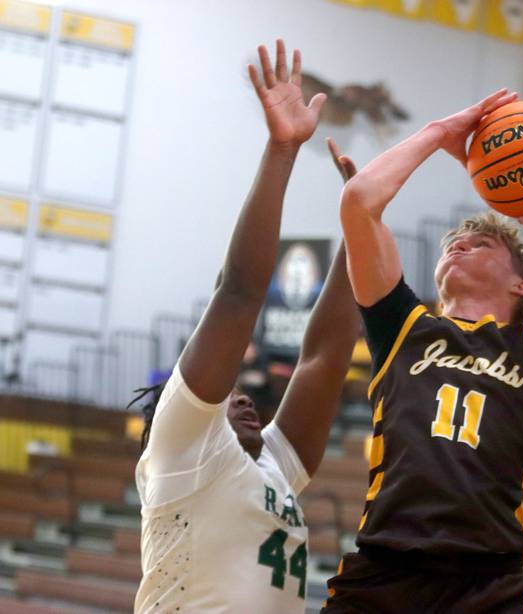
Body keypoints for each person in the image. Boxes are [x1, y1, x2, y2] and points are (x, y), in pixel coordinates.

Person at [322, 92, 523, 613]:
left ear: (522, 286)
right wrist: (439, 133)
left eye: (480, 244)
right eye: (451, 245)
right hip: (384, 571)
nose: (457, 246)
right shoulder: (403, 328)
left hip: (489, 583)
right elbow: (358, 204)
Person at [133, 40, 360, 614]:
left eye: (240, 394)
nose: (243, 400)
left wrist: (362, 223)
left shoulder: (273, 467)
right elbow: (238, 294)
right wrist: (282, 150)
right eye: (224, 397)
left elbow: (326, 358)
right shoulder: (184, 447)